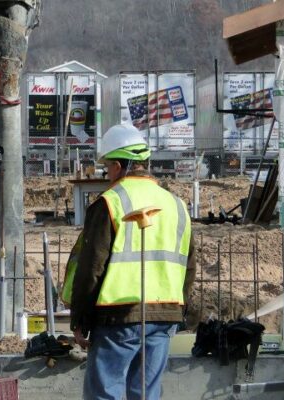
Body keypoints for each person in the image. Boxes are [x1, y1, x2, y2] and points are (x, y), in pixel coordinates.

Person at [70, 123, 196, 400]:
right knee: (145, 394)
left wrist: (81, 319)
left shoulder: (110, 202)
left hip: (119, 315)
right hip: (164, 315)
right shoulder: (177, 205)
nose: (107, 175)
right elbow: (189, 267)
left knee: (105, 393)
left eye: (107, 169)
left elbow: (91, 268)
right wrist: (177, 312)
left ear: (117, 166)